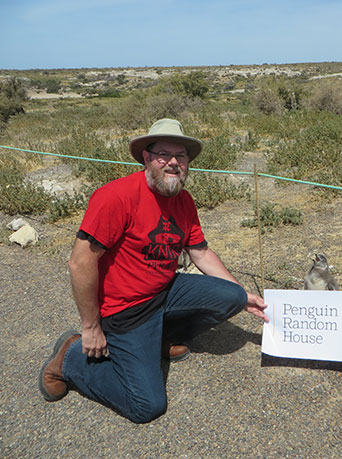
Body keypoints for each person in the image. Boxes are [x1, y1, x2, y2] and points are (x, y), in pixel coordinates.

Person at [39, 118, 268, 423]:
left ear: (188, 162)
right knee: (146, 406)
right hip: (125, 309)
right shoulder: (116, 197)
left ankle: (162, 337)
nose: (173, 163)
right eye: (164, 155)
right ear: (146, 158)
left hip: (164, 291)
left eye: (181, 156)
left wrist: (243, 294)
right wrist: (91, 327)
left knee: (232, 296)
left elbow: (199, 251)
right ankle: (70, 358)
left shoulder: (183, 200)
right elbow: (80, 262)